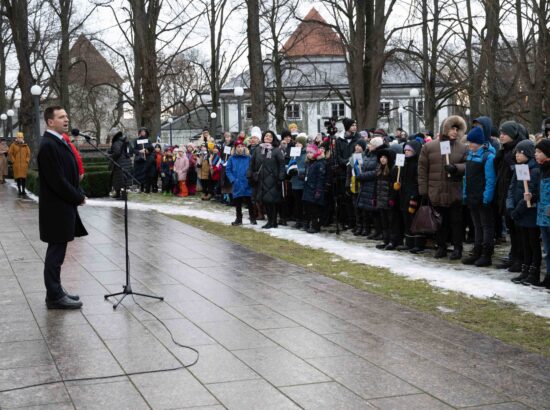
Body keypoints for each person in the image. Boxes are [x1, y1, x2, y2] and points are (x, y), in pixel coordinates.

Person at [37, 106, 86, 309]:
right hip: (56, 209)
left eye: (66, 116)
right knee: (55, 254)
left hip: (62, 208)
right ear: (50, 122)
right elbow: (57, 180)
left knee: (58, 252)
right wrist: (77, 196)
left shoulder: (58, 141)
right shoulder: (48, 145)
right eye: (61, 117)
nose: (66, 120)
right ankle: (54, 296)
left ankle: (56, 291)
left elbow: (68, 172)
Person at [418, 115, 467, 259]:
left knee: (456, 222)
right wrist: (424, 190)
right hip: (436, 191)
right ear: (445, 129)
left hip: (454, 191)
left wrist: (456, 168)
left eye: (457, 129)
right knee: (439, 222)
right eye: (452, 128)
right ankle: (441, 247)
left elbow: (468, 165)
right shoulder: (429, 146)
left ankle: (458, 248)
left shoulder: (462, 147)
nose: (454, 132)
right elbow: (422, 170)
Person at [506, 140, 541, 285]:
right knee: (524, 243)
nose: (517, 155)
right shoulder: (519, 168)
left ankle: (534, 272)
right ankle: (525, 270)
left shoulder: (534, 170)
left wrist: (518, 210)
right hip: (519, 213)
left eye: (521, 152)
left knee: (533, 243)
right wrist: (510, 206)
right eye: (517, 152)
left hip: (529, 213)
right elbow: (512, 188)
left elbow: (530, 192)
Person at [462, 126, 496, 266]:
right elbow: (466, 177)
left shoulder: (488, 157)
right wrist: (465, 193)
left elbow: (490, 179)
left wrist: (487, 197)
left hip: (482, 198)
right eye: (469, 142)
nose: (470, 145)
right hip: (472, 196)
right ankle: (477, 252)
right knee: (476, 226)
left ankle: (486, 254)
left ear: (479, 142)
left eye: (472, 142)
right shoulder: (470, 155)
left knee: (486, 226)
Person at [494, 121, 526, 271]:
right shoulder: (505, 151)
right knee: (511, 230)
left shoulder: (519, 151)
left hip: (516, 196)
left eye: (504, 133)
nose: (501, 136)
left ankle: (520, 259)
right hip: (505, 195)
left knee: (518, 231)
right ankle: (514, 256)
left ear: (512, 135)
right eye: (500, 133)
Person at [248, 130, 286, 229]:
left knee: (271, 202)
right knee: (265, 201)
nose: (267, 137)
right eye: (266, 136)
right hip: (261, 180)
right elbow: (252, 163)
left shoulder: (276, 150)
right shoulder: (258, 150)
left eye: (270, 136)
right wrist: (250, 174)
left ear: (273, 139)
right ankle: (271, 221)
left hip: (273, 180)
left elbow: (282, 165)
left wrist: (281, 177)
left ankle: (272, 222)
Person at [396, 140, 425, 252]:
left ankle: (418, 243)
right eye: (405, 150)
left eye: (409, 150)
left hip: (414, 195)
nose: (406, 152)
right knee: (406, 219)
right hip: (404, 194)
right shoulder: (404, 163)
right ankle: (409, 242)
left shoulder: (417, 163)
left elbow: (418, 181)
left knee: (415, 220)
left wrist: (415, 194)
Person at [357, 136, 386, 239]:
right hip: (366, 185)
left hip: (373, 185)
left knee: (376, 211)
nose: (368, 145)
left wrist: (362, 176)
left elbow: (376, 172)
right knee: (369, 211)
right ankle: (375, 231)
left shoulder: (378, 156)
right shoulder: (368, 155)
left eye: (371, 144)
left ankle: (380, 231)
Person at [335, 118, 362, 229]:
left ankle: (356, 222)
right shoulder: (340, 140)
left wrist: (350, 162)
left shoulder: (358, 139)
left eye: (355, 125)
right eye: (352, 125)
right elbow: (337, 155)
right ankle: (346, 220)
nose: (354, 127)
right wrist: (346, 162)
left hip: (354, 172)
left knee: (354, 199)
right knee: (344, 198)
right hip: (343, 172)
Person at [226, 140, 254, 225]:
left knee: (249, 201)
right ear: (235, 148)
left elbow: (252, 168)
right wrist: (233, 180)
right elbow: (228, 170)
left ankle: (252, 217)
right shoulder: (231, 158)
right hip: (237, 183)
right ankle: (239, 218)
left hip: (247, 182)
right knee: (238, 202)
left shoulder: (249, 157)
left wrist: (250, 178)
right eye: (238, 147)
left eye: (242, 146)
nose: (240, 148)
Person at [535, 139, 550, 288]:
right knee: (547, 249)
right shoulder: (542, 169)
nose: (536, 155)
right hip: (542, 215)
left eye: (539, 152)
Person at [374, 148, 397, 249]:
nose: (382, 159)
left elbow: (393, 187)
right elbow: (376, 185)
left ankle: (393, 241)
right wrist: (374, 197)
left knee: (391, 222)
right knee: (384, 222)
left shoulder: (392, 170)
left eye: (385, 157)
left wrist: (391, 198)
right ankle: (386, 240)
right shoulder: (379, 169)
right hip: (381, 200)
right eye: (381, 157)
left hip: (388, 200)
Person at [302, 144, 326, 233]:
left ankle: (316, 226)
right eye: (307, 152)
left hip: (315, 189)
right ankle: (308, 224)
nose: (308, 154)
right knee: (308, 208)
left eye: (311, 152)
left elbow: (320, 178)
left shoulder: (320, 163)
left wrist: (318, 191)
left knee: (315, 209)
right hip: (308, 188)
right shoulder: (308, 163)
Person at [288, 134, 307, 228]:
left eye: (299, 143)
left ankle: (304, 221)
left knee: (303, 203)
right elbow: (290, 164)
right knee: (297, 203)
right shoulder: (294, 154)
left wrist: (299, 171)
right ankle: (298, 220)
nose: (297, 145)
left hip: (302, 182)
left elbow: (307, 168)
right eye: (296, 143)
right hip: (294, 181)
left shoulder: (306, 154)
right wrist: (289, 169)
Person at [108, 128, 132, 199]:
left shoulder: (116, 142)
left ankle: (123, 196)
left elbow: (117, 152)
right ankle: (119, 194)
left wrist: (110, 155)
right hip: (126, 162)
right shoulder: (123, 141)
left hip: (120, 163)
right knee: (121, 180)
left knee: (120, 180)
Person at [8, 132, 31, 197]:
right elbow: (10, 153)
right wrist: (13, 161)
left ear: (23, 138)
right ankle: (19, 190)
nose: (20, 138)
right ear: (16, 138)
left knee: (23, 178)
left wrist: (27, 161)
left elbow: (28, 154)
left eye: (21, 137)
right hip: (16, 164)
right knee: (18, 178)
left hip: (24, 165)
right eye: (18, 137)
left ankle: (23, 190)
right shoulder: (13, 145)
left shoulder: (26, 145)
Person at [132, 127, 151, 192]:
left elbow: (151, 149)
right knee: (139, 174)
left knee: (145, 174)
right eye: (142, 131)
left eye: (144, 131)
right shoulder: (136, 140)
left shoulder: (148, 140)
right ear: (140, 132)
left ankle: (145, 187)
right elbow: (133, 150)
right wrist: (139, 151)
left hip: (146, 160)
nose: (143, 132)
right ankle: (139, 187)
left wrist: (146, 150)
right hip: (139, 160)